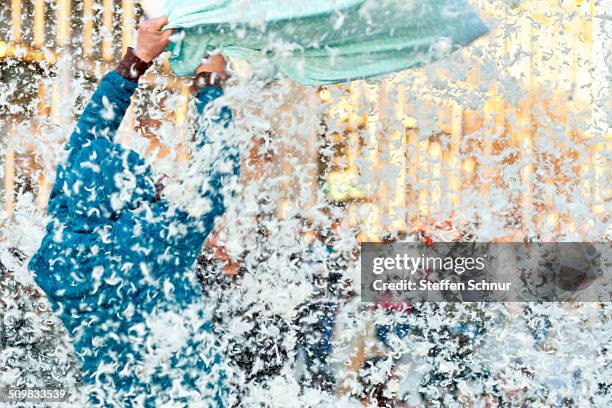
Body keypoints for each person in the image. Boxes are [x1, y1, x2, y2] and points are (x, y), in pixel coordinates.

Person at [28, 16, 238, 406]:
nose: (158, 181)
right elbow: (217, 173)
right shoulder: (152, 240)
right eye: (148, 179)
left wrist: (137, 60)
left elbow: (84, 149)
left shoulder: (56, 245)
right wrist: (209, 88)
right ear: (131, 192)